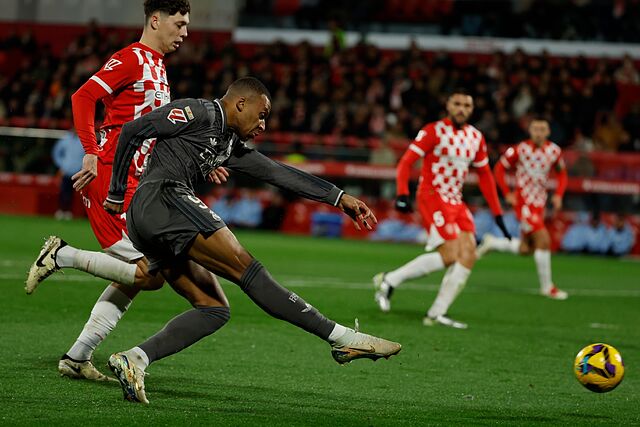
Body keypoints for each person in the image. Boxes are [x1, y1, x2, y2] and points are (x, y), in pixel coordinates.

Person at [102, 77, 401, 404]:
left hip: (151, 218)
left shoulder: (227, 143)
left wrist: (337, 196)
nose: (262, 124)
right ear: (240, 103)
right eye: (261, 115)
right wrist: (117, 191)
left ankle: (135, 359)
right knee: (249, 271)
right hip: (164, 199)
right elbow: (133, 130)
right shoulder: (199, 112)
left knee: (214, 309)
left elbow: (275, 172)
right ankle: (342, 338)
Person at [24, 0, 226, 381]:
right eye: (179, 24)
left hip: (136, 185)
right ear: (155, 19)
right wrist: (89, 153)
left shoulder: (159, 68)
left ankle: (76, 357)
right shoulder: (132, 58)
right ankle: (62, 255)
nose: (185, 33)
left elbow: (158, 131)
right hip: (110, 181)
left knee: (133, 277)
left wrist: (204, 160)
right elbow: (82, 97)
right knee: (151, 273)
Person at [372, 90, 510, 329]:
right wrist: (402, 194)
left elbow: (486, 176)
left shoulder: (476, 137)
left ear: (472, 109)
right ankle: (390, 281)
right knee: (451, 253)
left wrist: (497, 212)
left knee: (468, 255)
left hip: (456, 201)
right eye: (457, 103)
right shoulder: (433, 131)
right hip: (432, 197)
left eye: (467, 104)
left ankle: (434, 312)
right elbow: (405, 163)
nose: (462, 109)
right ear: (448, 105)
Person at [476, 118, 569, 300]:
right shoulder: (520, 149)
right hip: (524, 204)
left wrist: (558, 194)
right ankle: (547, 287)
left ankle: (493, 243)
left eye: (542, 129)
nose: (538, 132)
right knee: (543, 240)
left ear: (548, 131)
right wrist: (507, 194)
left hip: (539, 204)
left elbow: (562, 174)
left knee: (527, 249)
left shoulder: (554, 151)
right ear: (530, 130)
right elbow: (499, 168)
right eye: (535, 128)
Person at [51, 130, 84, 220]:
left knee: (72, 193)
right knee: (63, 191)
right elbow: (56, 153)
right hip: (65, 170)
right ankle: (60, 210)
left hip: (77, 171)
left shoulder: (82, 140)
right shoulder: (65, 139)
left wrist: (82, 167)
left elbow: (85, 155)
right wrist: (61, 165)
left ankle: (68, 211)